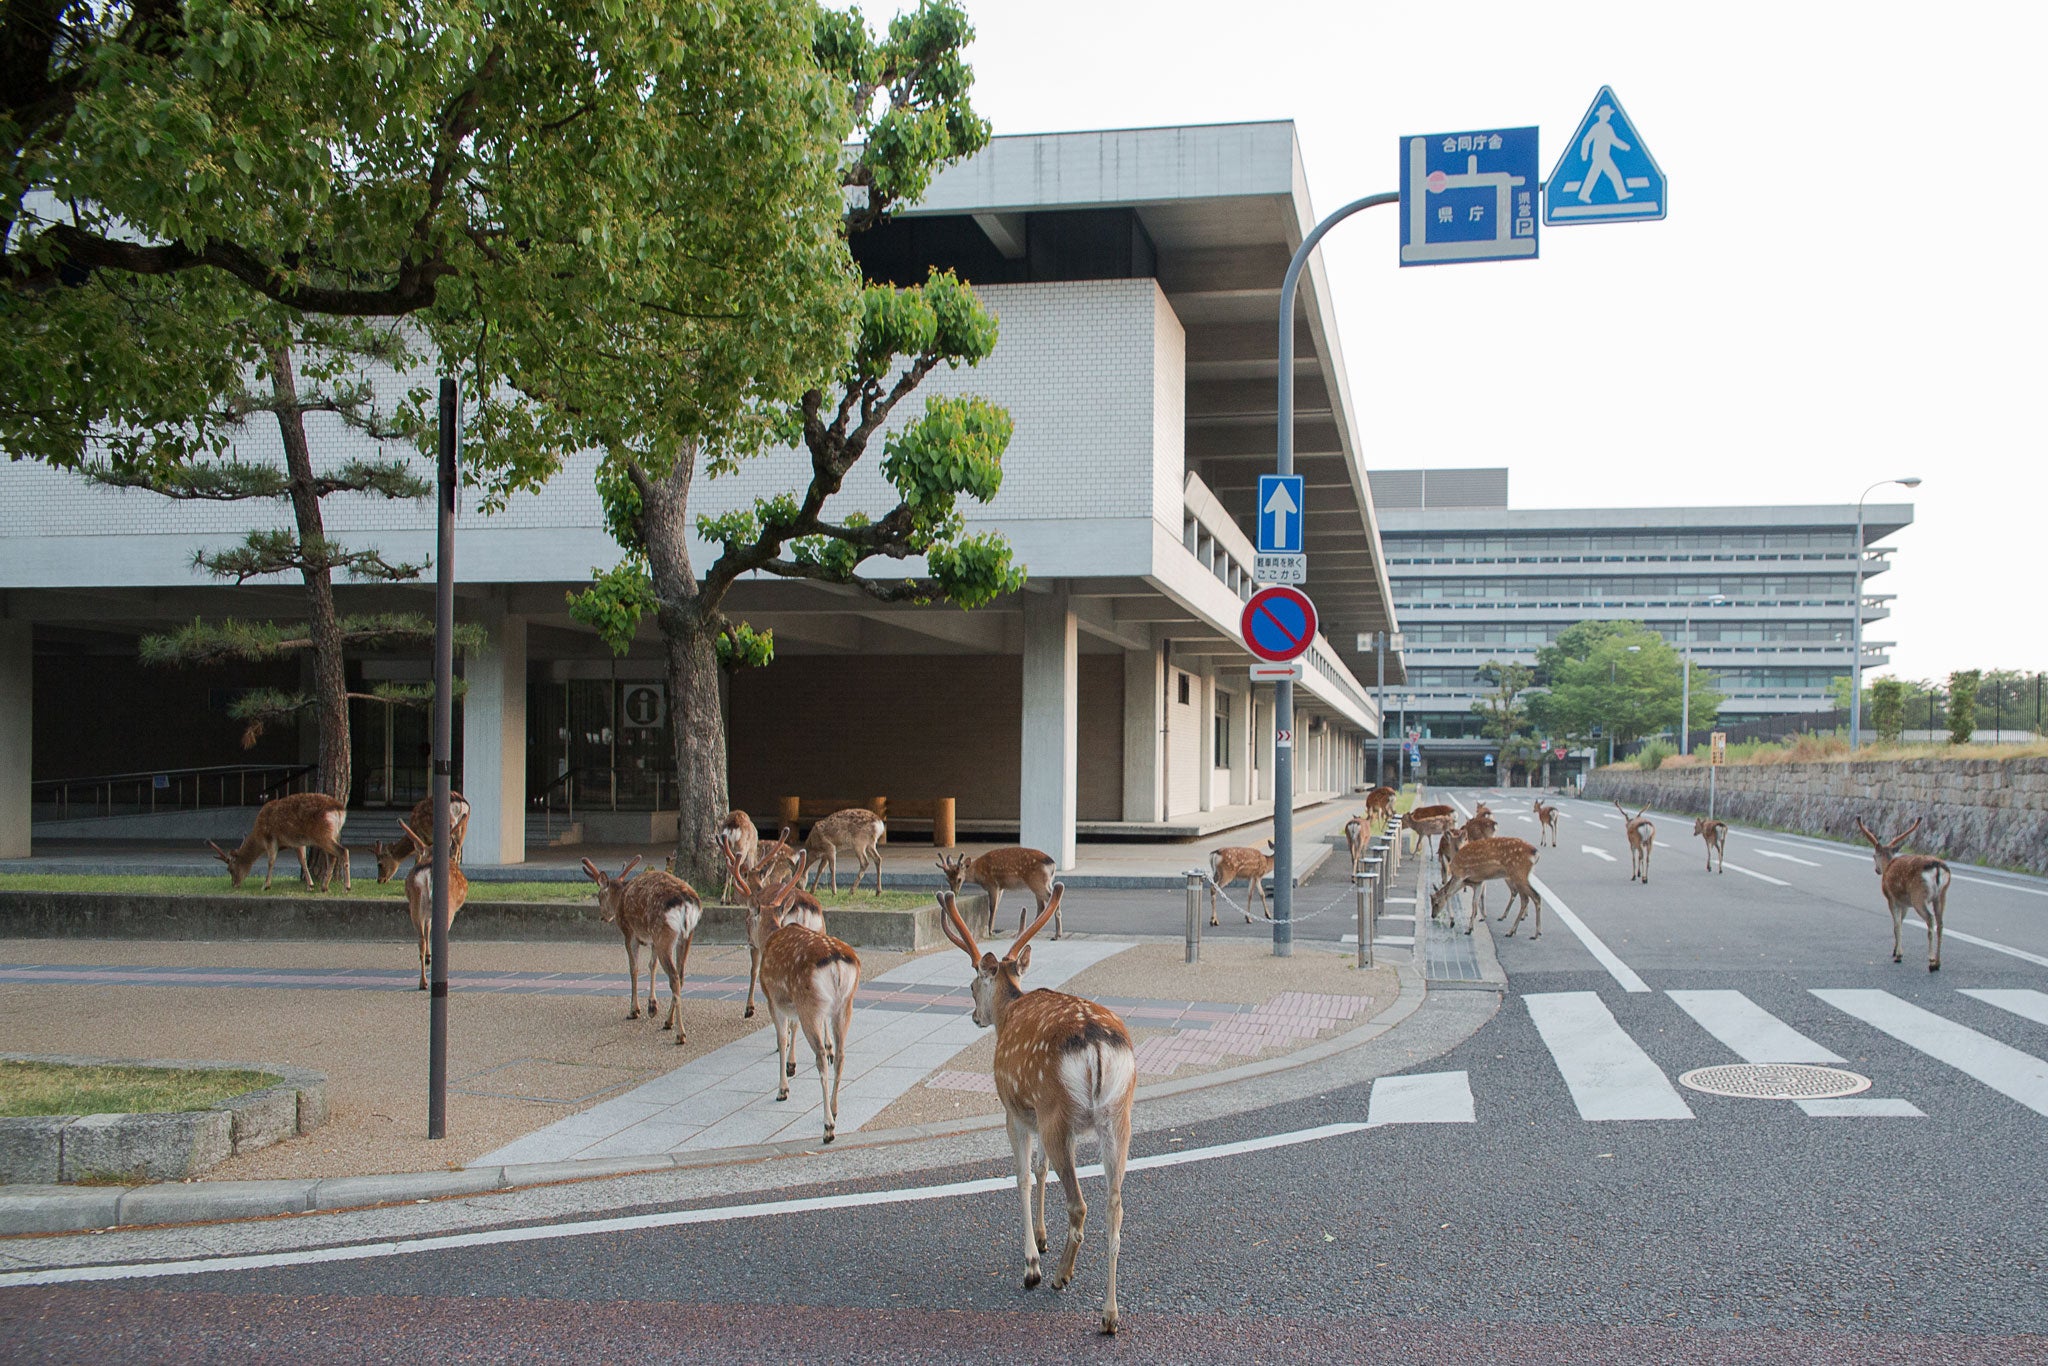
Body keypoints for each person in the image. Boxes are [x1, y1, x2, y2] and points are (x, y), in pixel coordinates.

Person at [1578, 105, 1633, 203]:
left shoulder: (1608, 127)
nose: (1608, 116)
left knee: (1607, 175)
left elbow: (1613, 140)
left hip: (1604, 156)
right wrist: (1584, 154)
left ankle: (1621, 194)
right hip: (1599, 157)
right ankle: (1621, 194)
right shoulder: (1596, 127)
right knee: (1606, 175)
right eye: (1607, 114)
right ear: (1602, 115)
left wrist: (1624, 146)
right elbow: (1586, 140)